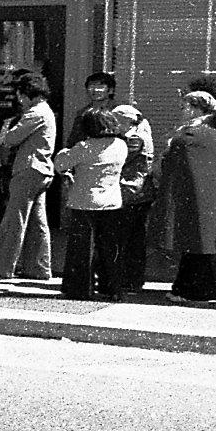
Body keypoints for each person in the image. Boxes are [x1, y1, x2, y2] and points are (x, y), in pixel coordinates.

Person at [157, 90, 216, 302]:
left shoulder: (193, 134)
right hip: (209, 197)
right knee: (204, 244)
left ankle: (190, 290)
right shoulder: (214, 131)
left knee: (196, 243)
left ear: (197, 109)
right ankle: (201, 288)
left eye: (185, 107)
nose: (182, 111)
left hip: (196, 196)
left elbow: (173, 159)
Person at [85, 72, 155, 293]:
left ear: (126, 120)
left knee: (123, 240)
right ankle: (129, 279)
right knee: (132, 240)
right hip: (137, 194)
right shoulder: (134, 136)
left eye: (116, 120)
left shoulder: (132, 139)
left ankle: (124, 279)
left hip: (130, 193)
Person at [0, 73, 56, 281]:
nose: (19, 100)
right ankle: (39, 267)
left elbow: (11, 138)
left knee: (14, 219)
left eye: (20, 95)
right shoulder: (47, 111)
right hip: (42, 170)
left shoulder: (35, 113)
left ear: (27, 94)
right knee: (37, 222)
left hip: (28, 169)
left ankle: (2, 266)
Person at [55, 106, 128, 301]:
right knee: (109, 248)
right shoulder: (121, 145)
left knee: (82, 248)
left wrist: (64, 151)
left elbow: (61, 164)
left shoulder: (84, 147)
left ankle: (80, 288)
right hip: (112, 202)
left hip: (84, 202)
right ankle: (111, 287)